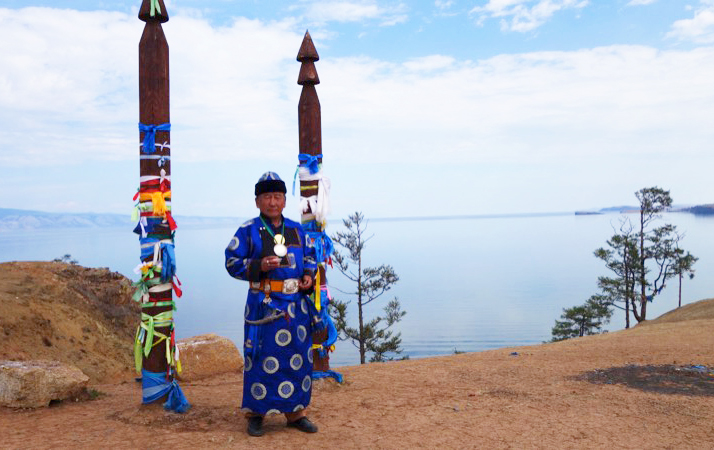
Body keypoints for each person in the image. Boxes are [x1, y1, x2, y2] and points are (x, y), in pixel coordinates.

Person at [224, 171, 321, 437]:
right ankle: (256, 414)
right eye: (267, 197)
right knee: (259, 357)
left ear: (285, 201)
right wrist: (258, 265)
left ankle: (296, 413)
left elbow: (311, 255)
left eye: (277, 196)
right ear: (257, 201)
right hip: (262, 305)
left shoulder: (296, 229)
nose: (273, 202)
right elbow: (231, 262)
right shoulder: (247, 231)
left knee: (297, 357)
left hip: (295, 307)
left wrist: (307, 276)